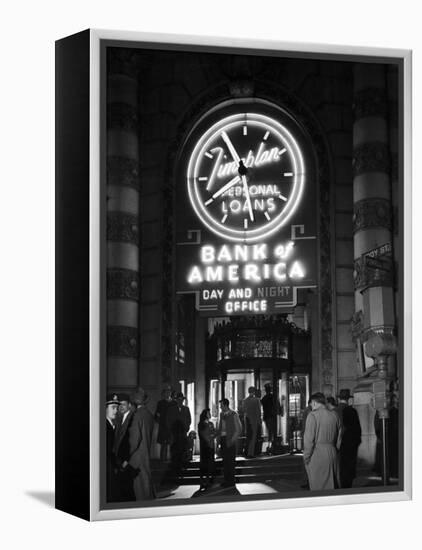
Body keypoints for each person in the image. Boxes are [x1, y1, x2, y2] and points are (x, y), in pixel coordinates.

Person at [303, 392, 342, 491]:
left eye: (311, 404)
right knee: (334, 486)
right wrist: (335, 450)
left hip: (318, 454)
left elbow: (309, 440)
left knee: (319, 488)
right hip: (332, 452)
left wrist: (306, 457)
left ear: (314, 402)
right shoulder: (334, 415)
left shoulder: (312, 416)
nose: (311, 406)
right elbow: (339, 437)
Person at [127, 389, 156, 500]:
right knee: (146, 483)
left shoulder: (136, 416)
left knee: (139, 489)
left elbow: (134, 440)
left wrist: (126, 455)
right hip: (145, 452)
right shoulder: (148, 414)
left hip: (136, 457)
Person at [337, 389, 362, 488]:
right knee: (350, 465)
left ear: (339, 398)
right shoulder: (352, 410)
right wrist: (357, 441)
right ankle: (348, 484)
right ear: (348, 399)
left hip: (340, 442)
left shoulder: (335, 410)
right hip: (351, 443)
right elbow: (358, 429)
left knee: (341, 464)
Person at [113, 394, 135, 501]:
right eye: (119, 405)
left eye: (124, 405)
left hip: (127, 460)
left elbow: (131, 441)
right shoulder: (120, 417)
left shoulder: (132, 418)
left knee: (127, 489)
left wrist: (126, 460)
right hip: (119, 458)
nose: (121, 407)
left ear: (129, 405)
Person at [166, 392, 191, 479]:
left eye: (182, 400)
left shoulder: (186, 409)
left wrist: (186, 428)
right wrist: (171, 431)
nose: (180, 401)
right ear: (176, 400)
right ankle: (175, 472)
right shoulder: (171, 409)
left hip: (183, 434)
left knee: (183, 452)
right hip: (174, 435)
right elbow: (168, 420)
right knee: (174, 453)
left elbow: (189, 419)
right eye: (179, 399)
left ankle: (181, 470)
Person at [218, 398, 242, 487]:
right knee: (225, 461)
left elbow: (238, 428)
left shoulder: (233, 414)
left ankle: (231, 481)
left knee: (230, 461)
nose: (220, 407)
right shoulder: (221, 414)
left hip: (230, 439)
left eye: (221, 405)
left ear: (225, 405)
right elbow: (220, 427)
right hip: (224, 439)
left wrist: (232, 440)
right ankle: (226, 480)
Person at [105, 393, 120, 501]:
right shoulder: (105, 426)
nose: (116, 411)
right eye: (113, 408)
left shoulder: (111, 425)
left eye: (117, 408)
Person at [198, 409, 216, 490]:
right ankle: (202, 481)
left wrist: (213, 435)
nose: (210, 414)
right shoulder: (201, 424)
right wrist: (210, 437)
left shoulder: (211, 423)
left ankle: (208, 480)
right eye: (209, 413)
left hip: (211, 445)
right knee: (204, 463)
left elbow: (214, 432)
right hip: (205, 446)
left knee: (210, 463)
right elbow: (202, 435)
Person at [242, 386, 262, 458]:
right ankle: (251, 453)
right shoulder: (256, 400)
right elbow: (259, 411)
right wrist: (259, 421)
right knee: (253, 437)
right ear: (253, 392)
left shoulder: (245, 400)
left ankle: (246, 451)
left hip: (247, 420)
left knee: (248, 436)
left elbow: (244, 411)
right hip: (254, 420)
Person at [261, 383, 280, 454]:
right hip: (272, 417)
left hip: (266, 417)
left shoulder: (264, 398)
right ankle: (271, 446)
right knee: (272, 432)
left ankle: (270, 446)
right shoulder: (273, 397)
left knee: (269, 431)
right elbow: (277, 406)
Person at [155, 387, 172, 462]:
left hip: (171, 427)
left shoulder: (174, 403)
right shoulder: (160, 403)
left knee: (172, 444)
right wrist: (160, 421)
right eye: (166, 392)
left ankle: (172, 460)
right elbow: (157, 415)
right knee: (164, 444)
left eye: (169, 392)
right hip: (163, 427)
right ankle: (163, 460)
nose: (167, 393)